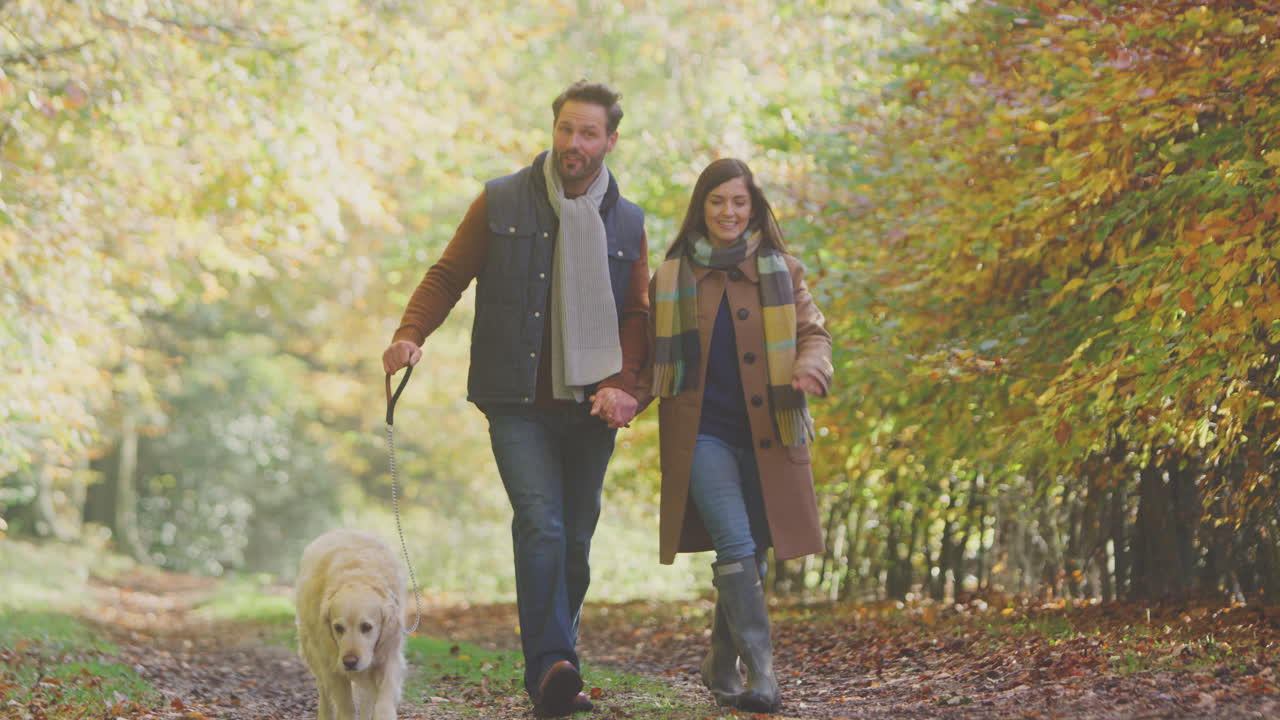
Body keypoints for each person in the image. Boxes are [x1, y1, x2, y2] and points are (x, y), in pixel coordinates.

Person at [381, 80, 649, 717]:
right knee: (541, 522)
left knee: (575, 540)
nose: (574, 142)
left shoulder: (629, 220)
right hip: (516, 401)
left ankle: (558, 663)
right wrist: (410, 333)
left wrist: (625, 388)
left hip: (593, 405)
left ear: (610, 140)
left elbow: (637, 314)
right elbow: (448, 274)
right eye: (565, 129)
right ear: (553, 130)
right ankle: (553, 669)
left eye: (588, 133)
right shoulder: (501, 200)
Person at [647, 158, 832, 714]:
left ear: (753, 209)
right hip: (702, 435)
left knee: (754, 554)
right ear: (701, 208)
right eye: (717, 201)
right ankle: (763, 675)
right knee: (736, 543)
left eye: (738, 201)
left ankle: (720, 662)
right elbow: (644, 352)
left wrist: (809, 369)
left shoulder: (784, 270)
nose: (727, 212)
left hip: (768, 434)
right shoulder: (672, 277)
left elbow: (814, 334)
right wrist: (619, 394)